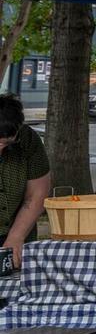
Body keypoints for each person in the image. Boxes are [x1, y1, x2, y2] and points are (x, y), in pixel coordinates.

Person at [0, 95, 50, 269]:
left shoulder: (27, 140)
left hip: (18, 232)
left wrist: (16, 236)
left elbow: (36, 194)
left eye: (6, 143)